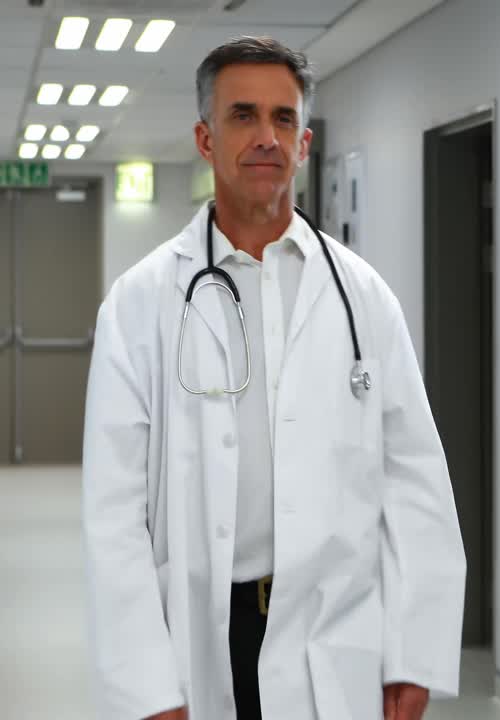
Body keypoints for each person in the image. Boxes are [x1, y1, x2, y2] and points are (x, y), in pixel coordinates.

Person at [81, 36, 465, 720]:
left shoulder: (362, 297)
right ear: (205, 138)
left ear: (304, 143)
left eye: (283, 119)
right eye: (243, 116)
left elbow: (415, 481)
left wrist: (416, 651)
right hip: (200, 635)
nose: (266, 137)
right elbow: (113, 515)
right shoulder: (140, 303)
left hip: (336, 632)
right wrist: (145, 685)